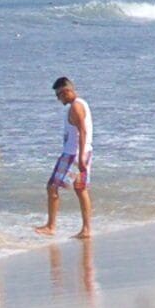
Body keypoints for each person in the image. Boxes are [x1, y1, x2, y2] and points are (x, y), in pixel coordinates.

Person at [41, 77, 94, 239]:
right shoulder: (80, 103)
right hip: (80, 152)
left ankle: (51, 226)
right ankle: (86, 229)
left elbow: (83, 132)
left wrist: (81, 157)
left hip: (73, 154)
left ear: (66, 92)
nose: (58, 99)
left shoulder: (76, 107)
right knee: (80, 189)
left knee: (52, 187)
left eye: (59, 95)